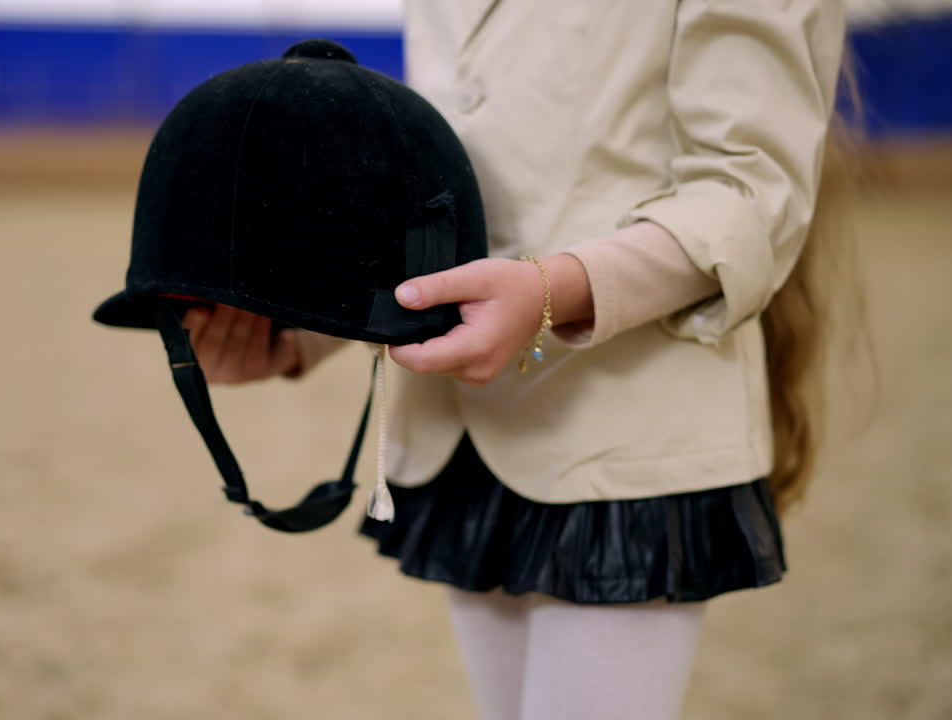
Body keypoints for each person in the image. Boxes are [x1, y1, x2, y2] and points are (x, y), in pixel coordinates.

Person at [181, 1, 847, 718]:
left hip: (625, 430)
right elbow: (449, 193)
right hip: (462, 433)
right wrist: (295, 336)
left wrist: (548, 291)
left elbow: (751, 195)